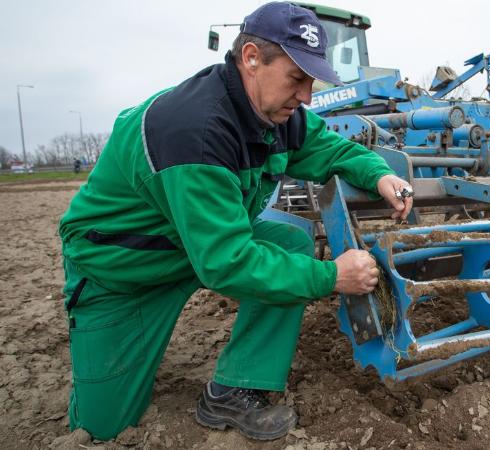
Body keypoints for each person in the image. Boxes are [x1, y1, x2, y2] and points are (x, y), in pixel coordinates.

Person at [57, 2, 413, 442]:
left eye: (311, 82)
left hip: (194, 247)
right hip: (124, 268)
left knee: (287, 242)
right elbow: (226, 262)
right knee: (101, 428)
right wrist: (331, 276)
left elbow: (330, 149)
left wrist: (378, 173)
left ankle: (235, 389)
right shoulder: (194, 134)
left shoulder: (278, 114)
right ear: (250, 58)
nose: (306, 96)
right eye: (296, 78)